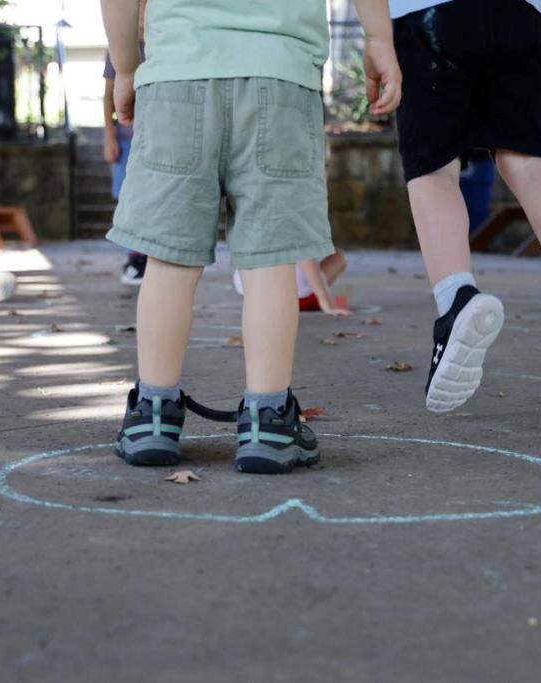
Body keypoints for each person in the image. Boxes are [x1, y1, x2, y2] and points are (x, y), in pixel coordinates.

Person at [100, 0, 401, 474]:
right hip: (280, 75)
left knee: (169, 259)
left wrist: (124, 67)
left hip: (178, 71)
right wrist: (379, 40)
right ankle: (269, 422)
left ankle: (152, 418)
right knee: (270, 260)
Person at [389, 0, 541, 413]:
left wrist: (374, 36)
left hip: (428, 17)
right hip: (520, 13)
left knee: (434, 169)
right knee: (529, 156)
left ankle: (457, 299)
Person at [103, 0, 147, 286]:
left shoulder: (168, 40)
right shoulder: (120, 44)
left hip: (159, 135)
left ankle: (146, 256)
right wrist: (109, 136)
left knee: (150, 199)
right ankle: (134, 256)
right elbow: (108, 94)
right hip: (127, 136)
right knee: (128, 198)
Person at [233, 250, 351, 315]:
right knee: (338, 256)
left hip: (253, 297)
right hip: (297, 299)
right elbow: (305, 255)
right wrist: (325, 299)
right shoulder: (294, 212)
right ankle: (324, 294)